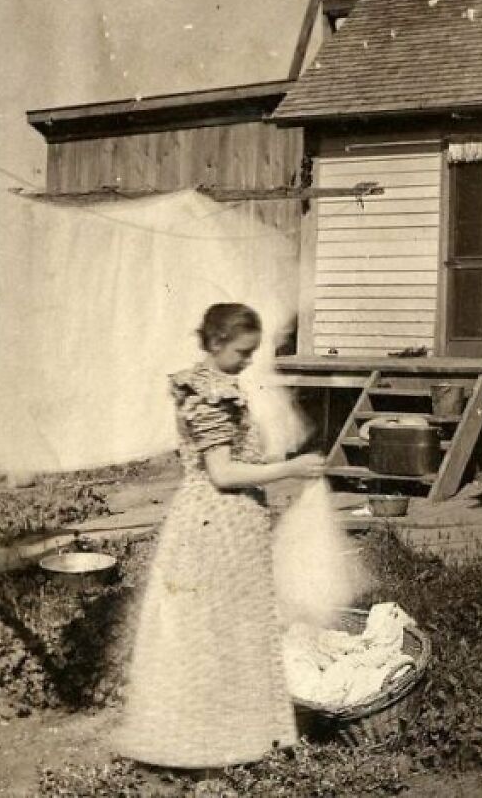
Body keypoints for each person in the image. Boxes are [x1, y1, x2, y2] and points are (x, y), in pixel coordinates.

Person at [117, 302, 325, 771]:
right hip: (218, 522)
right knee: (217, 628)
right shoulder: (209, 394)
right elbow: (224, 472)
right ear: (214, 344)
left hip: (221, 521)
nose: (249, 361)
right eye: (242, 352)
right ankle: (213, 740)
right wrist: (291, 468)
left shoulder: (207, 383)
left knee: (224, 626)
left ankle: (233, 733)